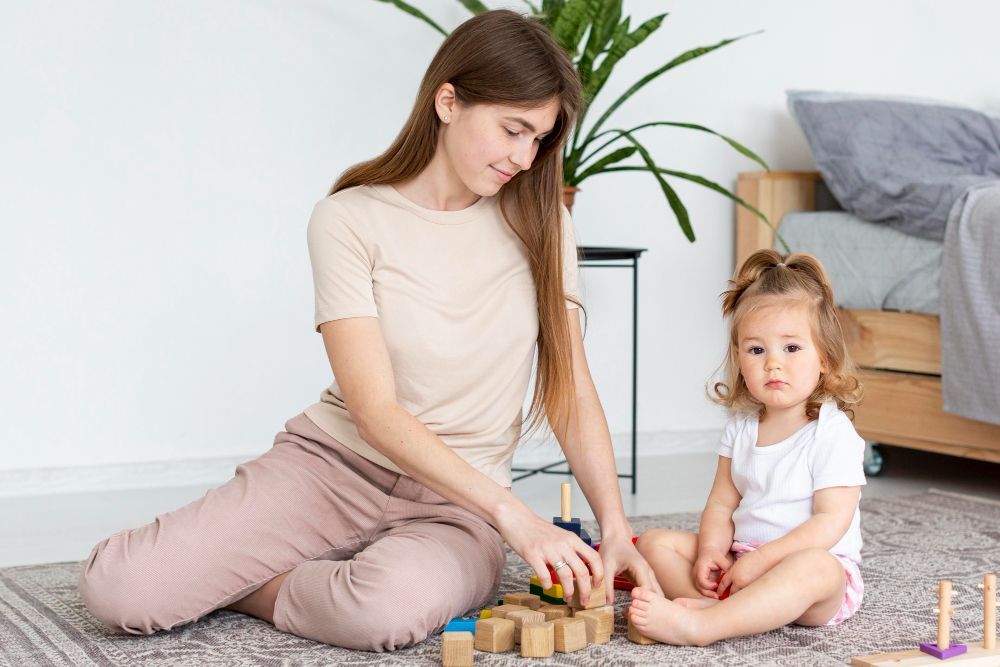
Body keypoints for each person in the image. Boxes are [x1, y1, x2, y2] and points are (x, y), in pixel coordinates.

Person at [78, 9, 660, 652]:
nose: (524, 158)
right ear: (448, 101)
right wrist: (516, 518)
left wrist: (613, 525)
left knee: (383, 612)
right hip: (333, 465)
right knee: (119, 590)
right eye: (513, 130)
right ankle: (252, 571)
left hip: (456, 505)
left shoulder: (545, 222)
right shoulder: (348, 218)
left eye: (539, 140)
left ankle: (252, 584)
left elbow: (571, 389)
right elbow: (375, 412)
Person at [628, 249, 866, 645]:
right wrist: (710, 552)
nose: (774, 364)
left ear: (824, 358)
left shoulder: (832, 432)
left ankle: (705, 625)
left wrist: (763, 562)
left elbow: (829, 524)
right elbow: (721, 504)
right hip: (742, 558)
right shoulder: (741, 429)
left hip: (806, 574)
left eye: (791, 348)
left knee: (818, 568)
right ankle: (719, 608)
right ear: (739, 359)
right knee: (655, 543)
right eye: (757, 350)